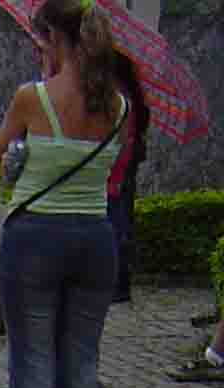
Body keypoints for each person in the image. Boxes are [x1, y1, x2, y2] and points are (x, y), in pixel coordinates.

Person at [0, 0, 128, 388]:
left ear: (56, 39)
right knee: (81, 367)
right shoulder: (118, 106)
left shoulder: (33, 97)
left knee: (33, 365)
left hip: (36, 237)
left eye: (41, 39)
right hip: (94, 239)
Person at [106, 51, 147, 304]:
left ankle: (118, 283)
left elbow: (122, 139)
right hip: (127, 166)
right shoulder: (134, 98)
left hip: (119, 167)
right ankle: (120, 283)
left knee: (116, 224)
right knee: (121, 223)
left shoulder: (120, 101)